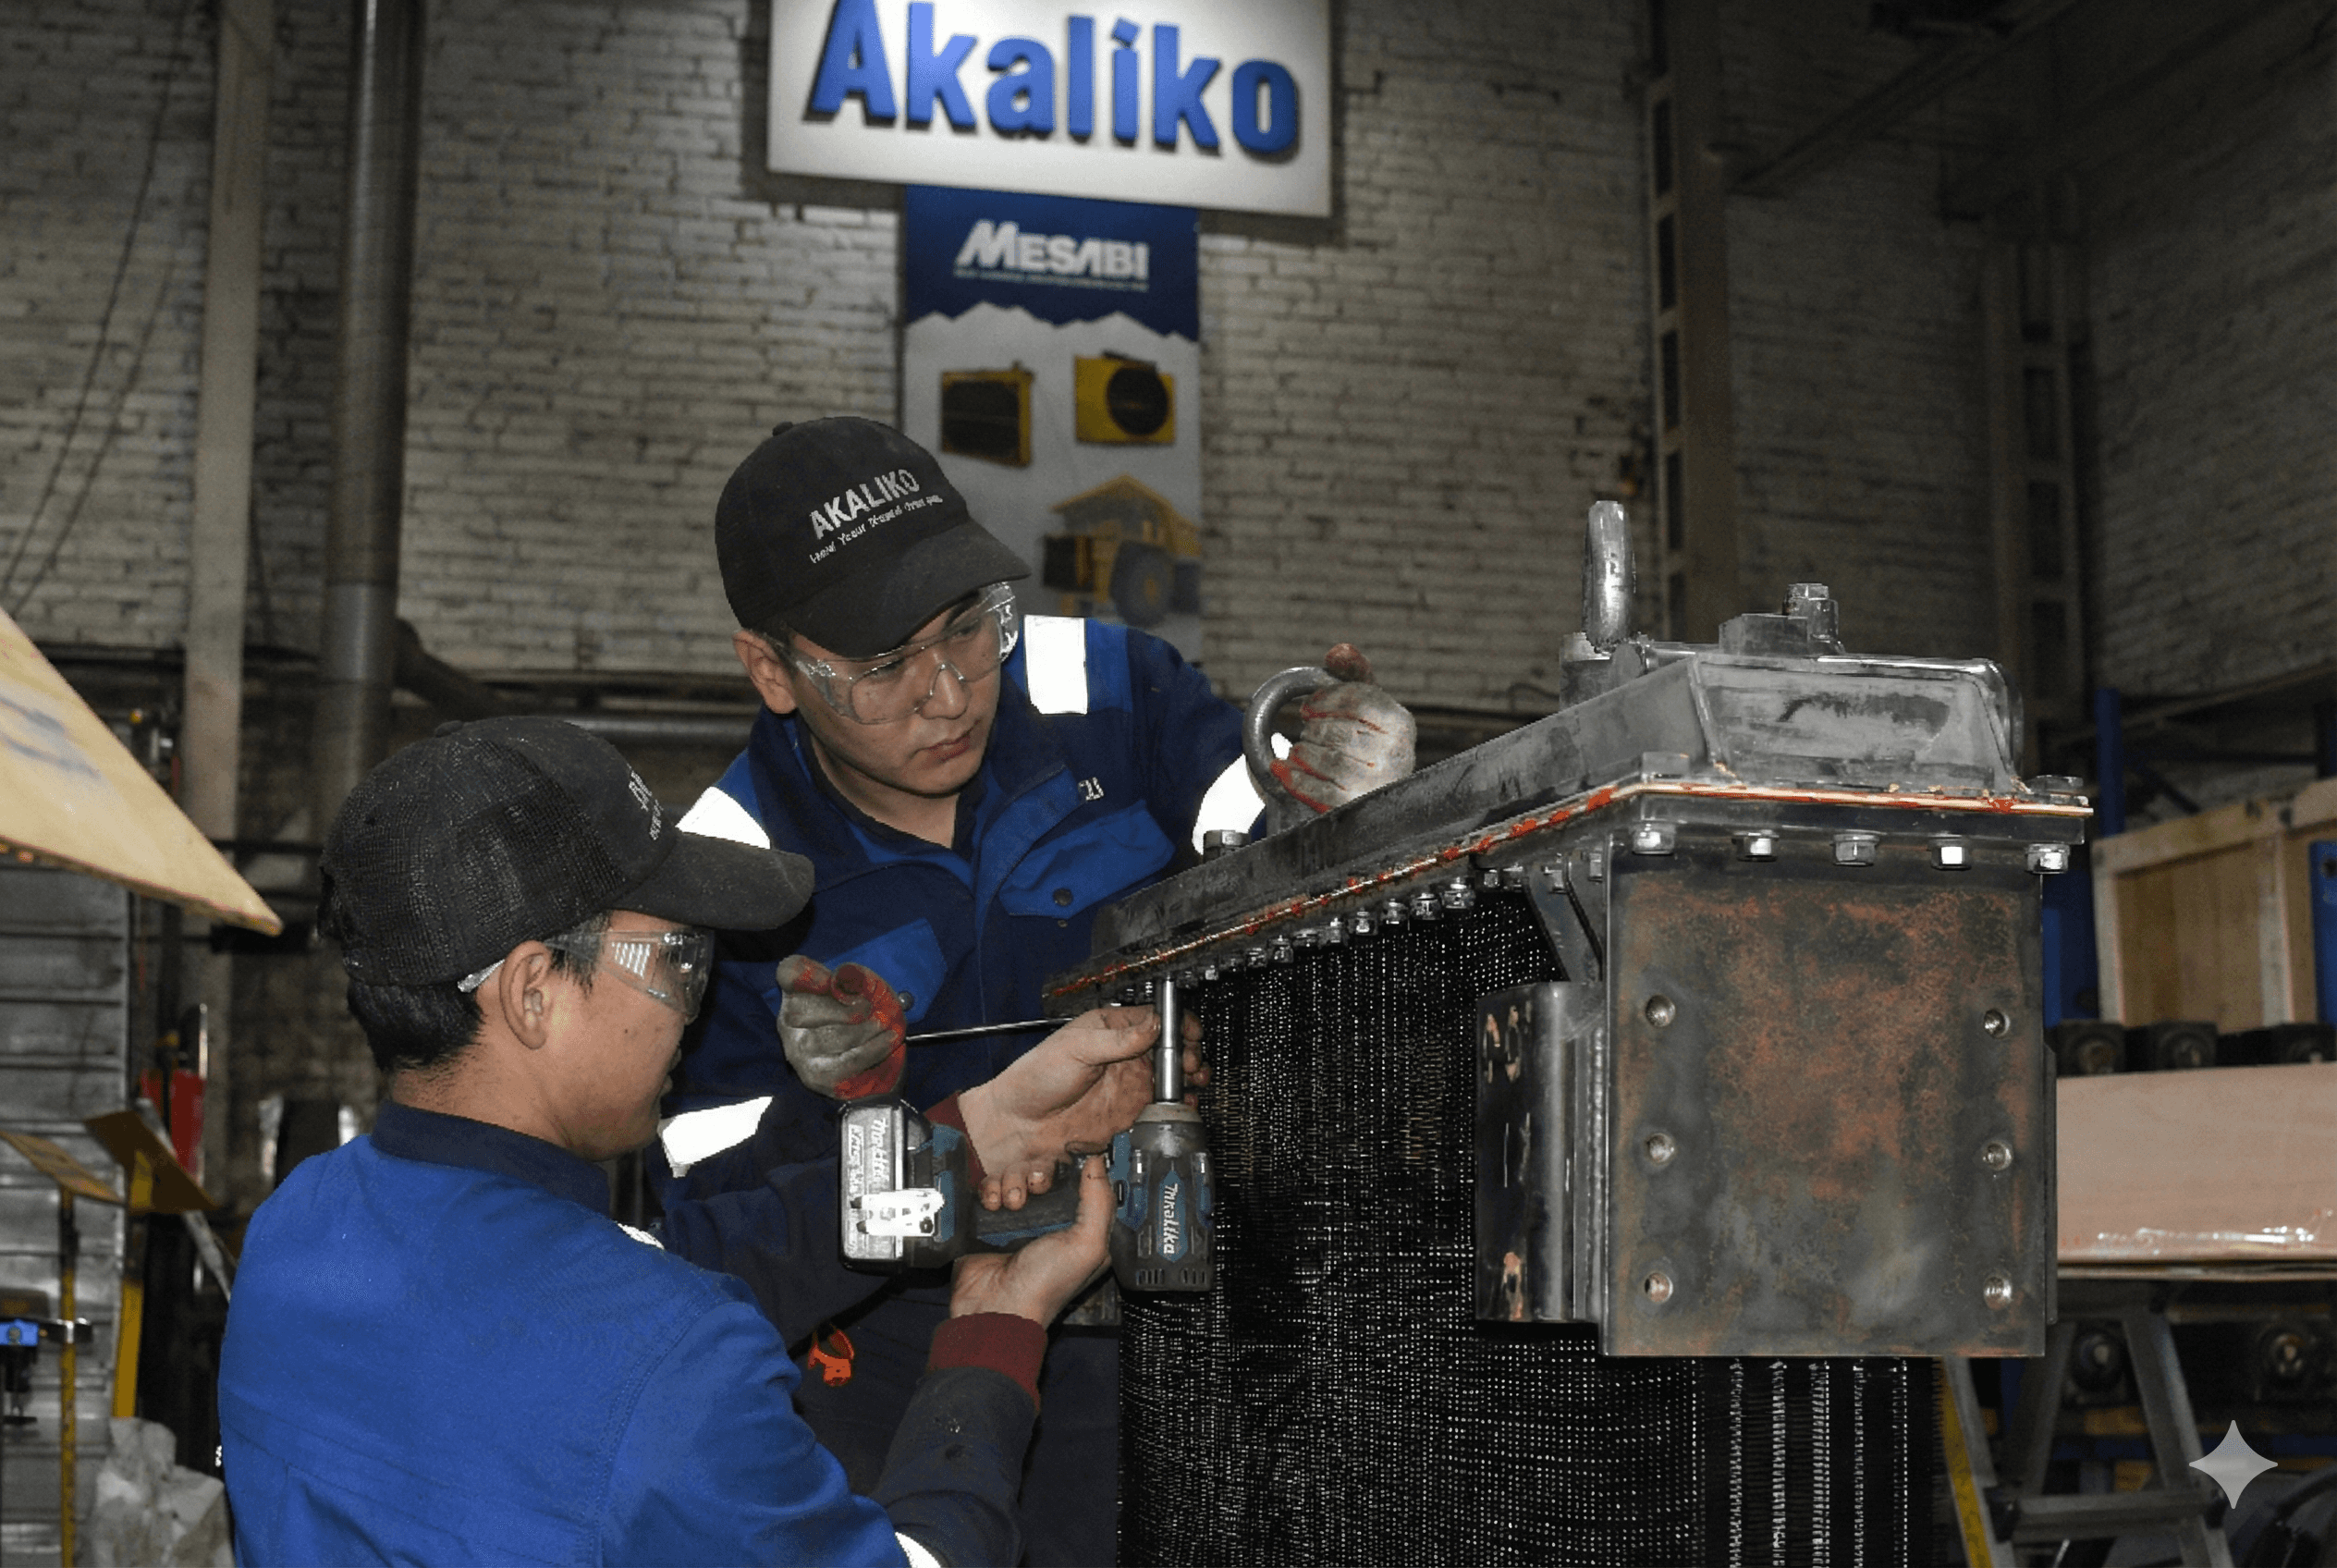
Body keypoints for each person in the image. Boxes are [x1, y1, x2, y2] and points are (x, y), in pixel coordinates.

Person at [661, 416, 1417, 1564]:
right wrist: (853, 1112)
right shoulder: (726, 871)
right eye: (882, 667)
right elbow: (712, 1231)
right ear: (771, 669)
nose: (949, 691)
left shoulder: (1111, 689)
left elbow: (1252, 840)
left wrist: (1324, 806)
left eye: (966, 626)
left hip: (1195, 1334)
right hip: (907, 1387)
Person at [218, 716, 1181, 1566]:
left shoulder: (296, 1229)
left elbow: (676, 1268)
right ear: (531, 991)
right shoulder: (673, 1366)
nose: (697, 1004)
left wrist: (974, 1133)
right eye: (676, 959)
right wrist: (992, 1331)